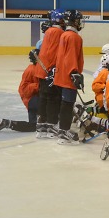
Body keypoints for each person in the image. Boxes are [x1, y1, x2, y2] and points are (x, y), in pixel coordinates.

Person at [53, 9, 85, 145]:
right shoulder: (74, 37)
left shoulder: (65, 34)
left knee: (65, 104)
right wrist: (74, 73)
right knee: (68, 104)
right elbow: (70, 56)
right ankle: (64, 132)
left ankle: (62, 129)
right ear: (75, 21)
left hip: (62, 75)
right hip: (68, 77)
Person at [35, 9, 65, 139]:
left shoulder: (49, 31)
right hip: (50, 70)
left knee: (44, 98)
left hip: (42, 70)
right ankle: (51, 126)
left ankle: (41, 127)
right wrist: (54, 69)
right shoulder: (59, 32)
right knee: (53, 99)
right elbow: (56, 53)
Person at [0, 49, 40, 132]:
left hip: (33, 99)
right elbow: (23, 90)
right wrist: (38, 86)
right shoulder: (31, 70)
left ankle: (8, 123)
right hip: (31, 100)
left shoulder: (39, 69)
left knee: (34, 126)